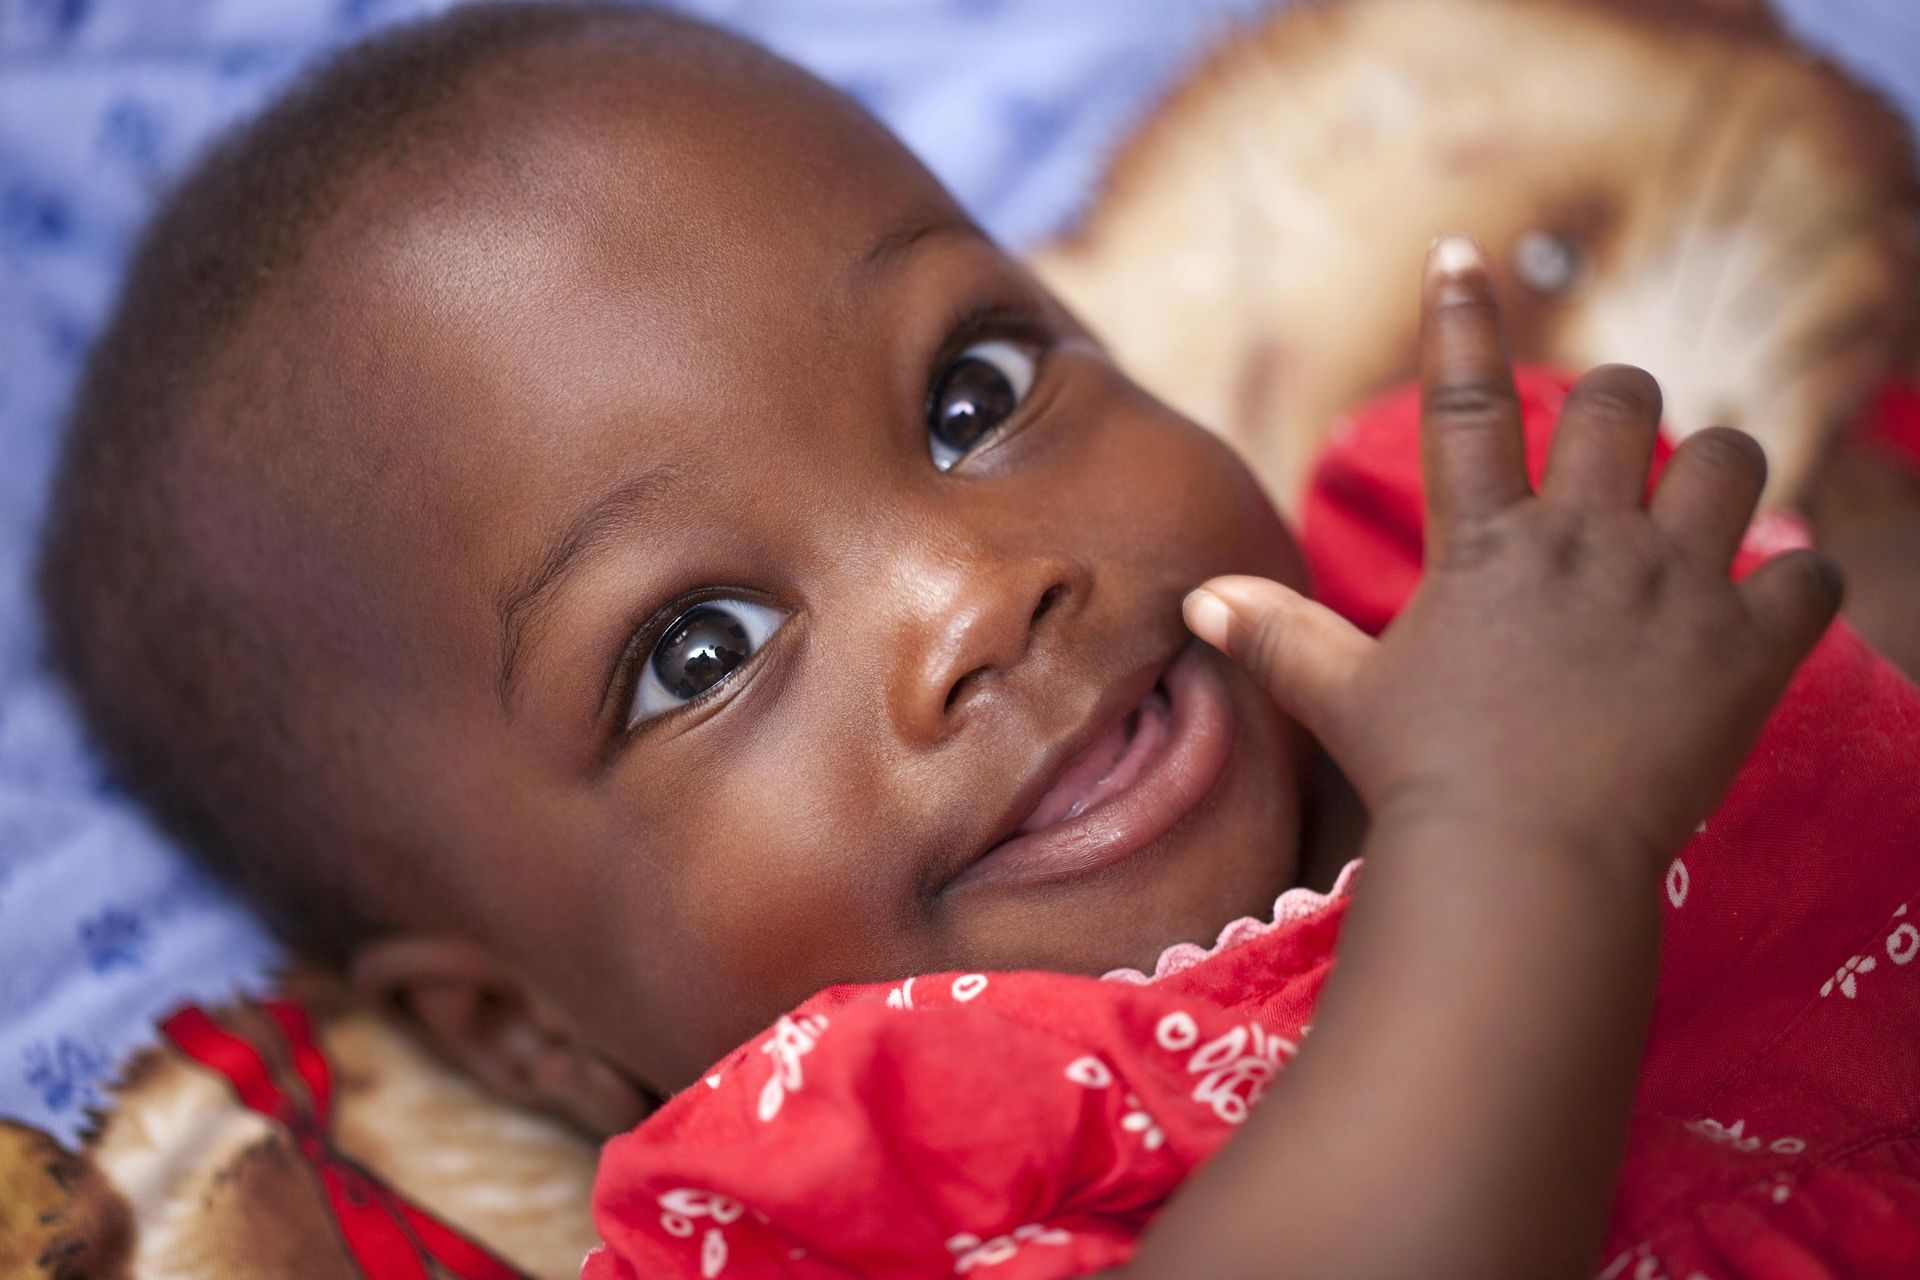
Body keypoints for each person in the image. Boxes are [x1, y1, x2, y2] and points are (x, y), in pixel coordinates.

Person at [34, 5, 1920, 1276]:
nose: (970, 587)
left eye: (973, 392)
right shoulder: (861, 1169)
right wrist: (1523, 846)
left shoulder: (1471, 570)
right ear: (521, 1031)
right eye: (698, 650)